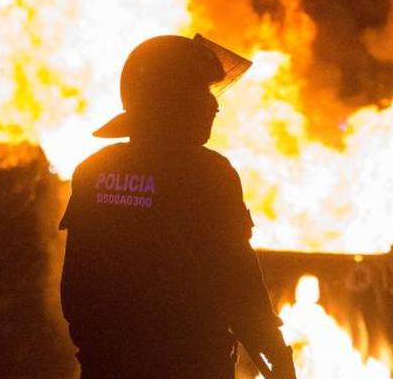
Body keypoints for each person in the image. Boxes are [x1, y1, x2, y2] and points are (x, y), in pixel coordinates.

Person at [59, 34, 296, 379]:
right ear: (170, 99)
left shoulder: (95, 171)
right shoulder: (208, 173)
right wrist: (277, 354)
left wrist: (99, 353)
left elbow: (77, 286)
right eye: (201, 93)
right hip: (191, 364)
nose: (214, 106)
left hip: (107, 365)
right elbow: (238, 280)